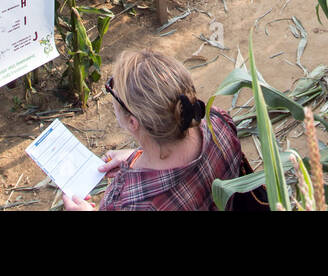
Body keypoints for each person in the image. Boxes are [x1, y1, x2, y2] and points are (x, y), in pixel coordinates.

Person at [62, 49, 256, 211]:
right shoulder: (218, 122)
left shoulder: (130, 202)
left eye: (113, 89)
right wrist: (136, 156)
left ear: (132, 122)